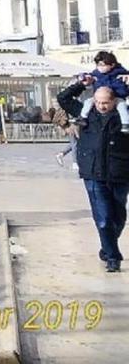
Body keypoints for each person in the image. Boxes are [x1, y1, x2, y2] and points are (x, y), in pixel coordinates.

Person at [57, 82, 129, 272]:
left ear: (114, 101)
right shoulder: (86, 113)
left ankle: (107, 247)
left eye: (105, 102)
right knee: (103, 219)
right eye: (98, 102)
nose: (101, 106)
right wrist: (81, 84)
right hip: (93, 173)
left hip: (120, 173)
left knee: (118, 218)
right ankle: (113, 258)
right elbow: (63, 98)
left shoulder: (124, 114)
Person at [78, 51, 129, 131]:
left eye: (102, 65)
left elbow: (125, 81)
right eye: (98, 65)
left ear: (112, 65)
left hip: (116, 96)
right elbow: (89, 76)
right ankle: (83, 117)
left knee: (122, 106)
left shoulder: (119, 72)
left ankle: (125, 123)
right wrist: (83, 77)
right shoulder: (97, 73)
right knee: (88, 102)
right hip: (99, 97)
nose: (100, 67)